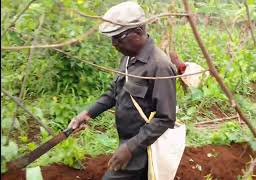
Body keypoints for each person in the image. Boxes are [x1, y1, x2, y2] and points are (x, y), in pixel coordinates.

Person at [68, 1, 177, 180]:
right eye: (112, 39)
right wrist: (88, 113)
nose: (114, 44)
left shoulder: (160, 66)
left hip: (143, 147)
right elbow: (114, 91)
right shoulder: (129, 57)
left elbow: (166, 118)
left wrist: (130, 147)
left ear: (138, 32)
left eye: (118, 38)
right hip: (129, 142)